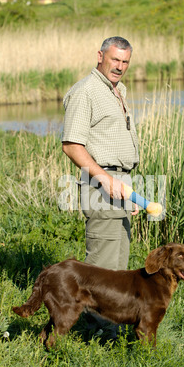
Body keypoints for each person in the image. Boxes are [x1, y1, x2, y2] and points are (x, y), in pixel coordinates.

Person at [62, 36, 139, 273]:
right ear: (100, 56)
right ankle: (87, 312)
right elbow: (71, 145)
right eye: (115, 59)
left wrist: (127, 189)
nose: (119, 67)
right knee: (101, 274)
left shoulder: (116, 90)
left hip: (119, 184)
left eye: (125, 62)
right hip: (101, 186)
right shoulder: (86, 91)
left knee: (117, 273)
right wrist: (106, 179)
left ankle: (104, 312)